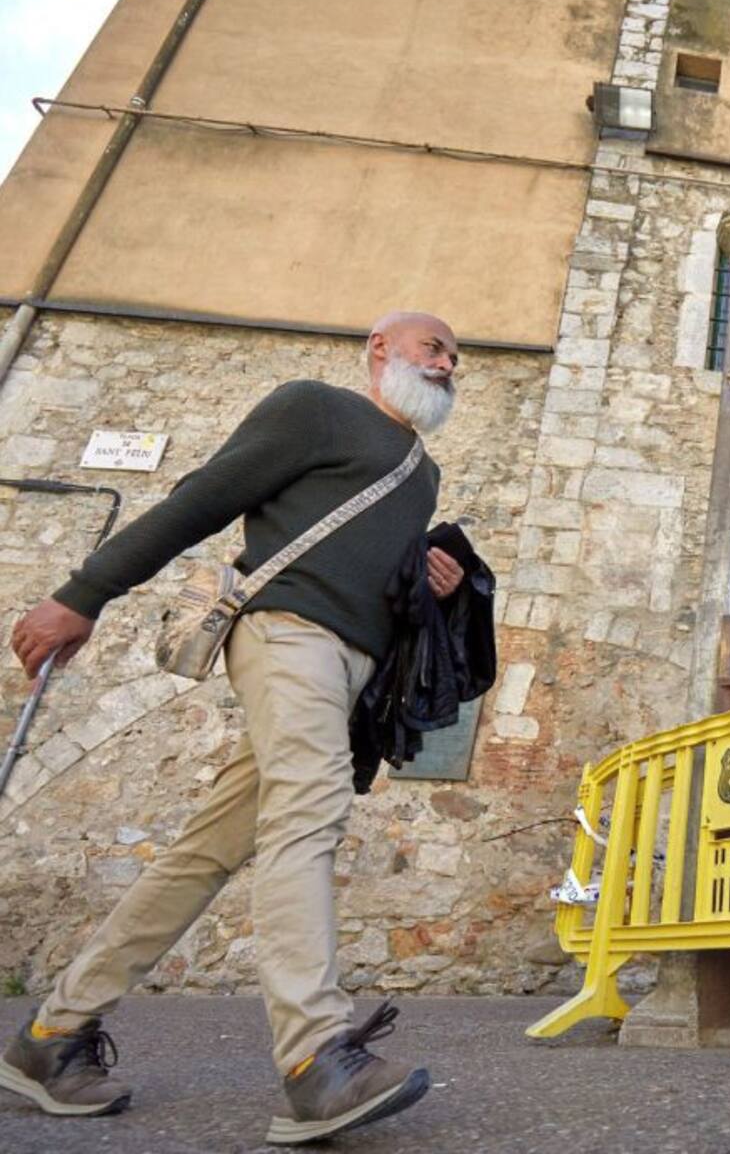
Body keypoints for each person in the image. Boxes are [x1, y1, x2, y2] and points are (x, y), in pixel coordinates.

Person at [0, 311, 466, 1145]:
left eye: (454, 355)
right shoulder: (316, 408)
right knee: (309, 813)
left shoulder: (421, 473)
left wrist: (434, 576)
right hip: (289, 637)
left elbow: (378, 587)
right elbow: (202, 500)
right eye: (432, 346)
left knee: (202, 854)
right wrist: (83, 592)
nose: (448, 361)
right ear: (380, 350)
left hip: (346, 672)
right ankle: (317, 1057)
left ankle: (50, 1037)